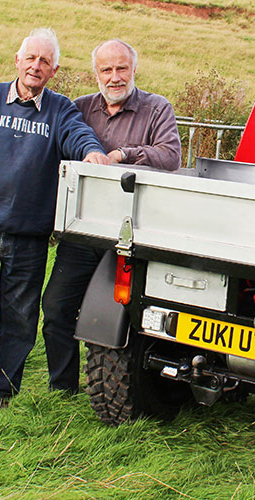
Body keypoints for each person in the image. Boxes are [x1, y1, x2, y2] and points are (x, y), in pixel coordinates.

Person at [0, 28, 109, 407]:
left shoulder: (60, 109)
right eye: (30, 58)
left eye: (44, 61)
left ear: (54, 70)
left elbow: (78, 133)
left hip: (28, 240)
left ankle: (2, 395)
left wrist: (92, 152)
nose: (36, 66)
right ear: (17, 60)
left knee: (19, 322)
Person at [41, 38, 181, 393]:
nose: (115, 77)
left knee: (114, 318)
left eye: (122, 68)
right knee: (56, 308)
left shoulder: (156, 109)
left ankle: (112, 382)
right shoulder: (79, 108)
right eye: (107, 69)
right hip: (83, 233)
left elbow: (170, 157)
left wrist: (121, 155)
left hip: (132, 237)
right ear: (96, 73)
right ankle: (63, 387)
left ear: (134, 69)